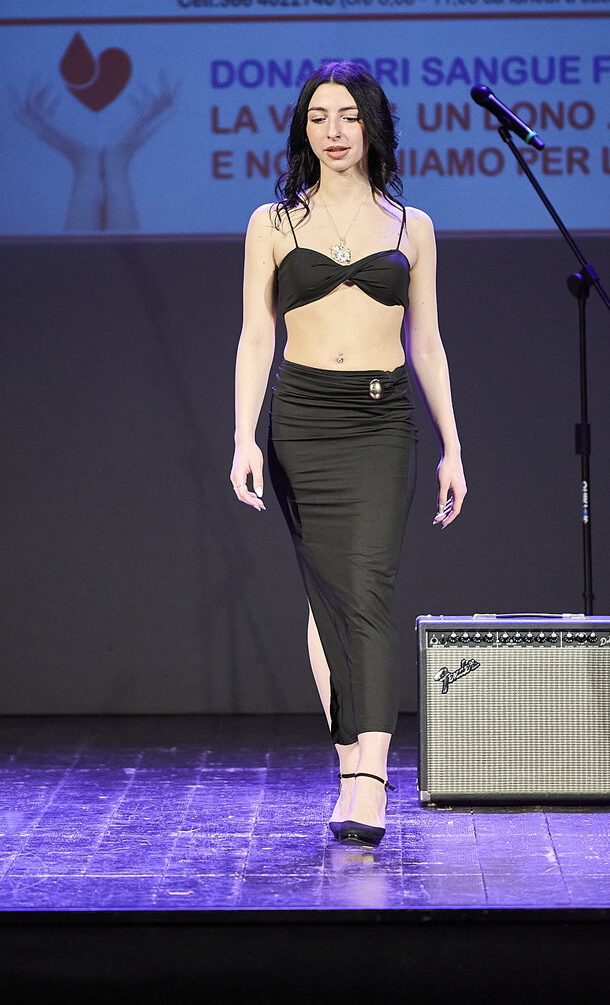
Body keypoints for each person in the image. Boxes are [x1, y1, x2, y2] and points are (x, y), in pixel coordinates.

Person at [230, 61, 466, 847]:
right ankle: (347, 768)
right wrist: (243, 436)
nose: (333, 132)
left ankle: (372, 779)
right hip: (300, 422)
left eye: (348, 117)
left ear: (372, 126)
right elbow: (256, 337)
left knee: (366, 591)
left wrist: (452, 447)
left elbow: (426, 343)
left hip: (379, 420)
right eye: (318, 117)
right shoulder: (272, 223)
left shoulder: (410, 226)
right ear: (303, 129)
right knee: (327, 599)